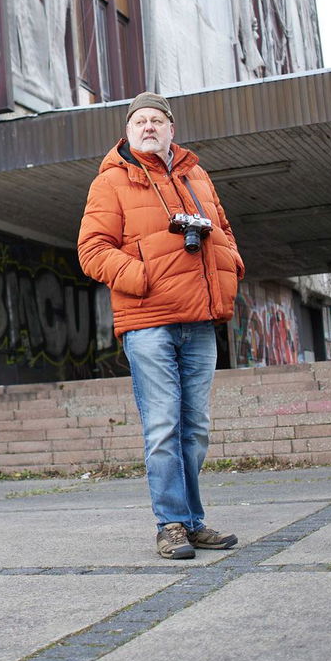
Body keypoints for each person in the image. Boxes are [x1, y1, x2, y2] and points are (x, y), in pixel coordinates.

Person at [77, 91, 246, 559]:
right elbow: (91, 251)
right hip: (148, 322)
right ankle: (170, 524)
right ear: (128, 132)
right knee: (164, 427)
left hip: (199, 321)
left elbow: (225, 231)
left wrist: (231, 262)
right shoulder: (111, 182)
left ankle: (193, 522)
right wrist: (145, 277)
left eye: (157, 120)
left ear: (172, 129)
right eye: (139, 122)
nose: (148, 127)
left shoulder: (198, 176)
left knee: (197, 429)